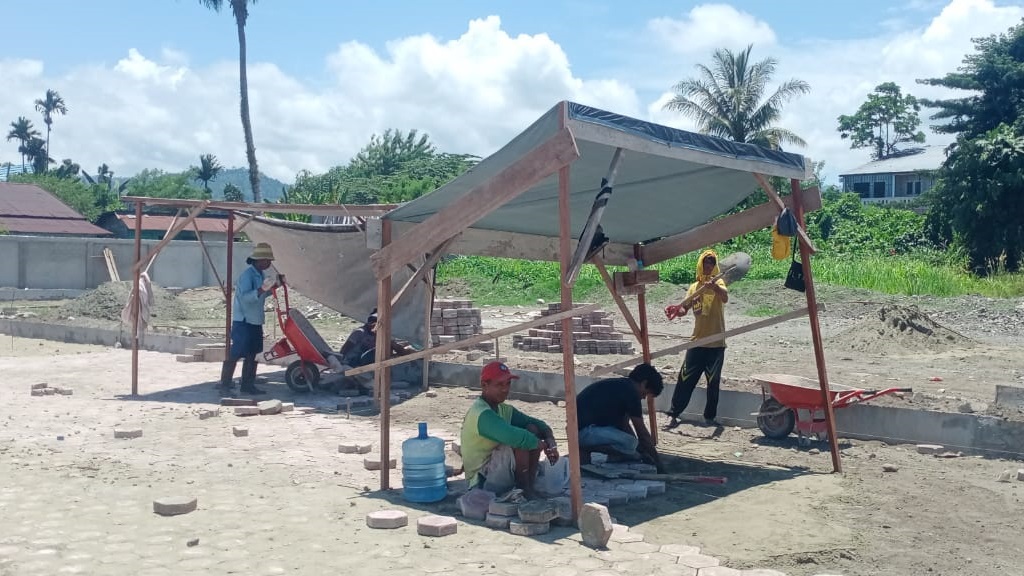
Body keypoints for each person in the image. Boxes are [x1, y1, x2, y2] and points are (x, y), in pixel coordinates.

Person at [460, 361, 559, 498]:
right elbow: (516, 438)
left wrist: (550, 440)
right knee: (523, 440)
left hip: (496, 468)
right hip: (482, 479)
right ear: (484, 385)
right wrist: (541, 445)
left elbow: (535, 423)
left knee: (531, 428)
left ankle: (529, 485)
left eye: (508, 384)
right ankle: (524, 489)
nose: (505, 389)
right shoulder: (482, 414)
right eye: (499, 384)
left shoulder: (502, 409)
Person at [664, 249, 729, 428]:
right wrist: (677, 311)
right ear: (701, 264)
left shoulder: (719, 282)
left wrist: (714, 286)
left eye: (712, 262)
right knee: (685, 378)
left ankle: (709, 417)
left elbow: (725, 297)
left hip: (716, 343)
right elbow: (686, 308)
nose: (708, 266)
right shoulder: (694, 287)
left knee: (713, 382)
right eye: (706, 262)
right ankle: (674, 412)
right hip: (697, 342)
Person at [576, 363, 665, 472]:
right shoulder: (632, 393)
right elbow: (643, 434)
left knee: (631, 444)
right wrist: (658, 463)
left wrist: (641, 452)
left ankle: (614, 456)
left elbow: (624, 425)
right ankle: (584, 448)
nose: (643, 398)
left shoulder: (621, 386)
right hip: (582, 433)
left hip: (580, 430)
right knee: (630, 444)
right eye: (645, 394)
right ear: (644, 383)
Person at [219, 242, 279, 395]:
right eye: (267, 260)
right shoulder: (247, 275)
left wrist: (273, 288)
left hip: (254, 319)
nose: (269, 263)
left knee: (253, 352)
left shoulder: (260, 275)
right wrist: (261, 289)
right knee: (237, 352)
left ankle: (248, 385)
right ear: (259, 260)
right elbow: (245, 298)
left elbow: (260, 296)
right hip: (244, 320)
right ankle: (224, 385)